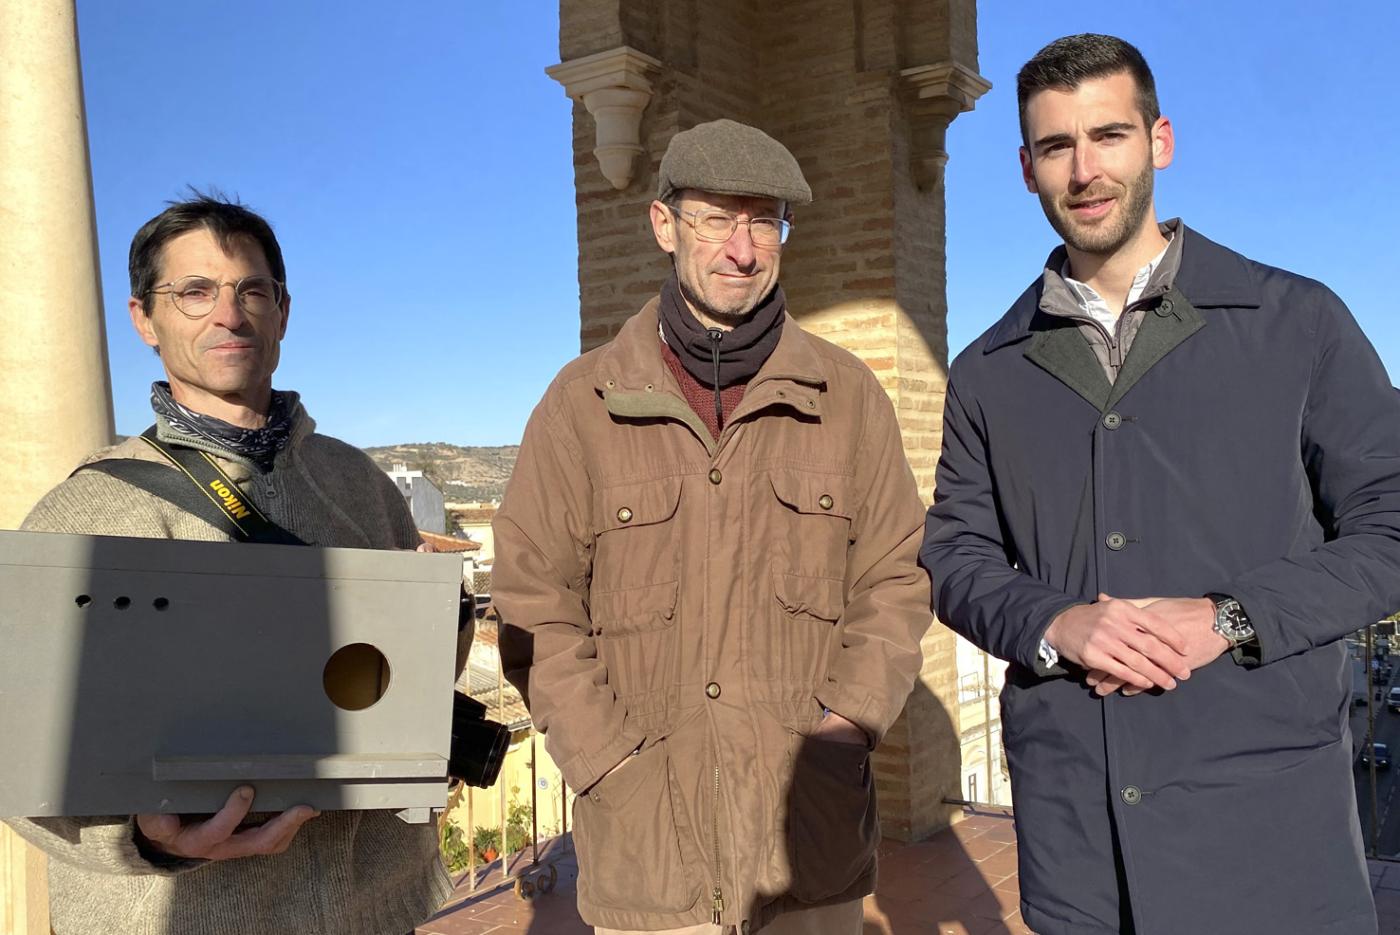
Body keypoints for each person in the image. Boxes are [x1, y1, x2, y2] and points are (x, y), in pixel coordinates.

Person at [920, 33, 1400, 935]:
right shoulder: (988, 370)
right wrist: (1053, 622)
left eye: (1109, 135)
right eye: (1056, 146)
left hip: (1270, 838)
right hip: (1077, 844)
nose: (1085, 169)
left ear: (1160, 140)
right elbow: (953, 554)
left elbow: (1393, 524)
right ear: (1026, 168)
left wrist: (1227, 617)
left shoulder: (1296, 324)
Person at [492, 119, 930, 934]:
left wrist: (843, 730)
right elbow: (532, 599)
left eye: (763, 219)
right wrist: (608, 761)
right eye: (715, 218)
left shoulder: (848, 397)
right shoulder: (580, 404)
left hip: (808, 839)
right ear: (665, 225)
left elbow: (896, 578)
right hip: (649, 848)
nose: (742, 247)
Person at [6, 194, 459, 935]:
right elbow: (18, 747)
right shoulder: (84, 514)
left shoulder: (362, 486)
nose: (229, 314)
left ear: (282, 310)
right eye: (195, 291)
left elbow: (404, 679)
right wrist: (145, 840)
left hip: (373, 910)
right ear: (143, 319)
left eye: (252, 290)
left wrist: (444, 627)